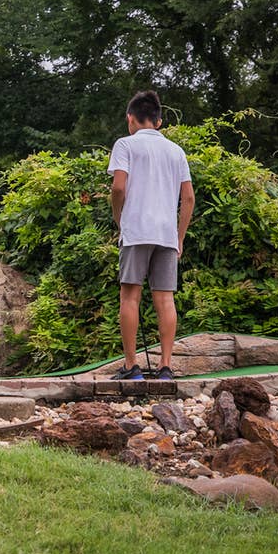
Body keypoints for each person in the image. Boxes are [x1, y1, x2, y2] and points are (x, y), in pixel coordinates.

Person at [108, 90, 195, 380]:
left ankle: (132, 366)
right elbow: (189, 198)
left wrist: (119, 220)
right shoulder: (176, 151)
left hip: (136, 231)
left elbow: (118, 188)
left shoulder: (125, 145)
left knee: (130, 296)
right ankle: (166, 367)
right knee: (165, 299)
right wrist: (179, 236)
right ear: (158, 121)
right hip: (167, 234)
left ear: (130, 118)